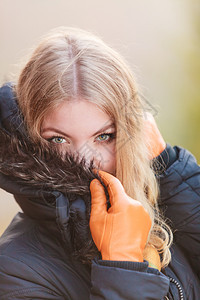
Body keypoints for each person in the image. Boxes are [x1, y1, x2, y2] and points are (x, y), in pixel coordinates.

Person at [0, 27, 199, 300]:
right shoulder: (15, 271)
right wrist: (123, 265)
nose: (87, 161)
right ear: (29, 144)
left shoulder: (161, 204)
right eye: (58, 140)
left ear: (131, 133)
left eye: (104, 136)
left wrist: (170, 170)